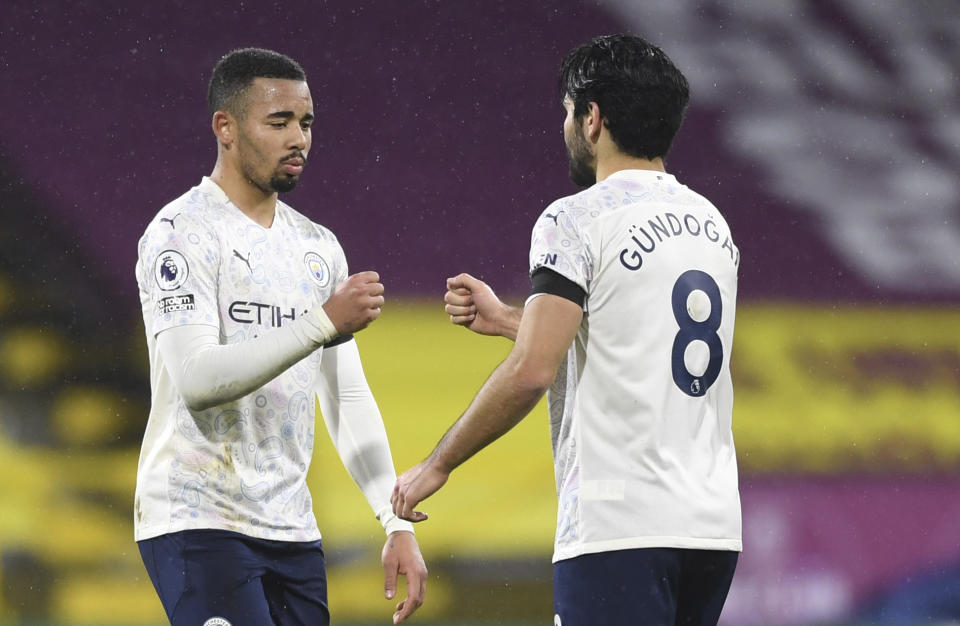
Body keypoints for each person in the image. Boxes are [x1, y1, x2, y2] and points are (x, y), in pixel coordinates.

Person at [392, 34, 740, 625]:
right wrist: (508, 319)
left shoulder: (575, 219)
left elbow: (533, 370)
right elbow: (632, 337)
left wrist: (438, 464)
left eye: (567, 113)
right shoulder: (711, 224)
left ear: (592, 117)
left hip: (618, 526)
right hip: (711, 530)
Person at [134, 47, 426, 626]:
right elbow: (196, 380)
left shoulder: (318, 248)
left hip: (292, 526)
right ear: (226, 127)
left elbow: (346, 396)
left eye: (307, 122)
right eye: (279, 122)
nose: (300, 138)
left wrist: (392, 520)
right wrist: (321, 323)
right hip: (198, 517)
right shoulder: (181, 233)